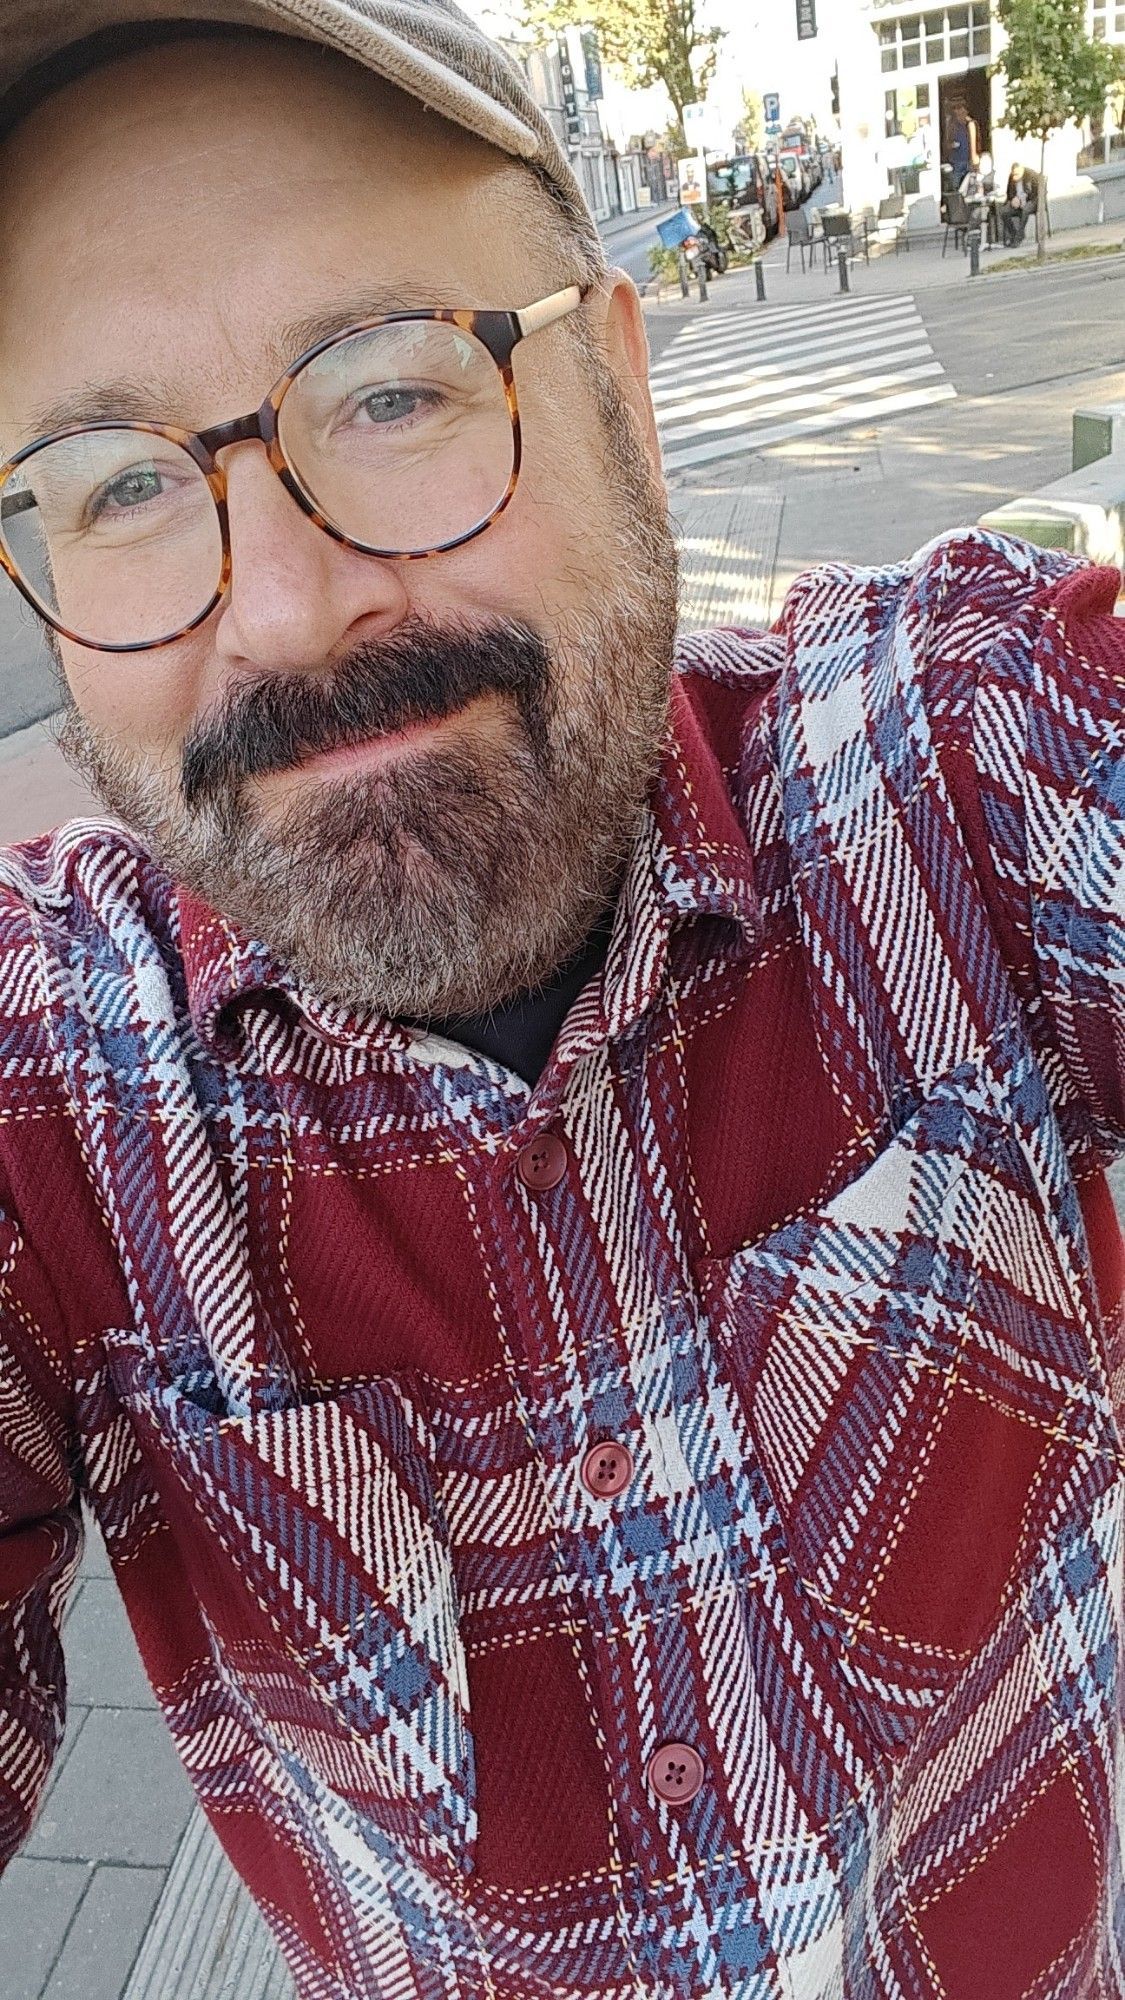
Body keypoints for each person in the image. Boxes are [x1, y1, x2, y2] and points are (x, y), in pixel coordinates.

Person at [0, 6, 1122, 1998]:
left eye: (389, 390)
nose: (278, 607)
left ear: (618, 382)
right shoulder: (60, 1103)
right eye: (114, 486)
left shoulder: (953, 772)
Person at [1001, 159, 1040, 244]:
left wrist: (1024, 200)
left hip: (1031, 200)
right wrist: (1013, 199)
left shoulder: (1031, 175)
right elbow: (1009, 192)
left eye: (1017, 174)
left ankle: (1019, 236)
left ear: (1022, 170)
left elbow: (1036, 193)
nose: (1015, 177)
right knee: (1004, 212)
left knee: (1025, 210)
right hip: (1017, 202)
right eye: (1013, 174)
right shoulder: (1012, 177)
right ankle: (1014, 233)